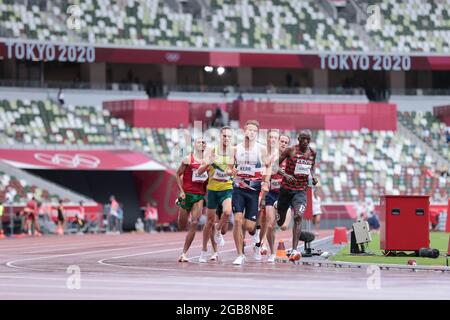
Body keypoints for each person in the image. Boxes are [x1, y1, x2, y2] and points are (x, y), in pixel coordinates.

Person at [229, 120, 271, 265]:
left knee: (249, 227)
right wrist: (231, 170)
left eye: (254, 131)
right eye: (249, 130)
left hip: (254, 191)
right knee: (238, 221)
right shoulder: (235, 149)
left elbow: (269, 165)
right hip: (238, 189)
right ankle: (240, 254)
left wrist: (265, 182)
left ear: (257, 133)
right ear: (244, 131)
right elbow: (229, 167)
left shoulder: (262, 149)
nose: (251, 133)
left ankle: (256, 236)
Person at [277, 130, 318, 262]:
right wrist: (285, 175)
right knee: (280, 222)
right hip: (286, 189)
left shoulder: (312, 153)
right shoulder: (290, 150)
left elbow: (312, 167)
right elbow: (274, 166)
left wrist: (314, 176)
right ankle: (278, 207)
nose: (305, 142)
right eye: (303, 139)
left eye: (308, 139)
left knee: (298, 216)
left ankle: (295, 250)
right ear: (298, 139)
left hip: (300, 190)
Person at [196, 126, 235, 263]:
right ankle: (203, 251)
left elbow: (235, 169)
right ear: (220, 136)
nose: (227, 139)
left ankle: (218, 232)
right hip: (212, 190)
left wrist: (232, 171)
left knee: (228, 211)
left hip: (226, 188)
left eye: (229, 136)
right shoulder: (212, 150)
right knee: (209, 222)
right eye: (225, 136)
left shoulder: (233, 152)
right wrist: (209, 163)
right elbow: (200, 171)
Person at [259, 132, 292, 262]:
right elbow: (266, 175)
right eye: (281, 141)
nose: (283, 144)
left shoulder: (290, 159)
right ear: (277, 142)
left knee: (283, 226)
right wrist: (263, 196)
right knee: (270, 223)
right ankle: (271, 252)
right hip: (272, 194)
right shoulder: (271, 157)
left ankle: (281, 214)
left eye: (286, 142)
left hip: (284, 195)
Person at [175, 137, 209, 262]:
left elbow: (209, 178)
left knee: (194, 223)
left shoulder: (207, 162)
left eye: (204, 142)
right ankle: (179, 202)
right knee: (181, 226)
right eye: (199, 142)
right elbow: (177, 174)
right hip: (186, 195)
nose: (202, 144)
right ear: (195, 145)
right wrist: (181, 191)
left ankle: (184, 253)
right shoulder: (188, 159)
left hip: (199, 196)